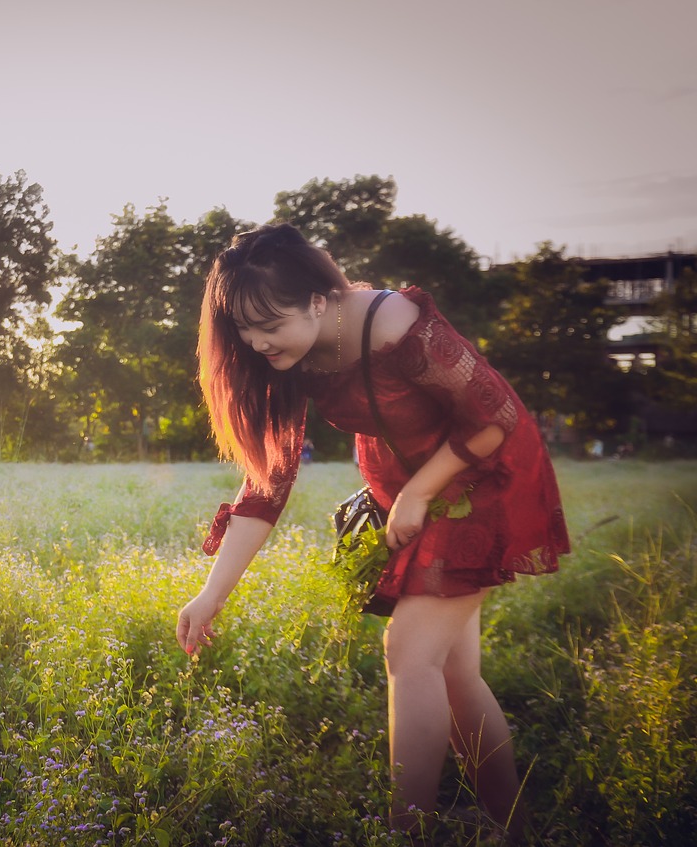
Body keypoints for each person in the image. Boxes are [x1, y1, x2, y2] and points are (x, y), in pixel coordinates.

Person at [175, 223, 569, 840]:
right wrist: (210, 594)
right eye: (244, 332)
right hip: (410, 496)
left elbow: (496, 417)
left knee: (410, 653)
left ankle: (404, 833)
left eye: (269, 327)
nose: (256, 344)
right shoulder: (292, 354)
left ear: (318, 301)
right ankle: (515, 829)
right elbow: (267, 486)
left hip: (478, 483)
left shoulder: (396, 325)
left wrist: (417, 491)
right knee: (455, 674)